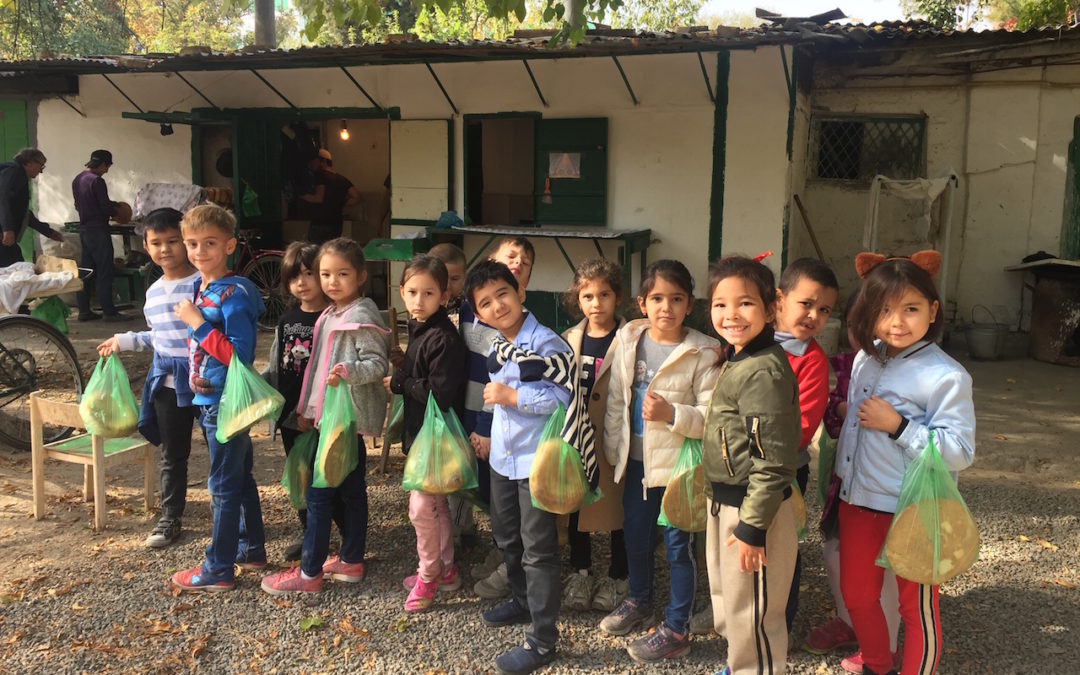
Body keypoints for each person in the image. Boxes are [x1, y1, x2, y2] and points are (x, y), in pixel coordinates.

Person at [835, 251, 976, 675]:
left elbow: (960, 451)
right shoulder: (867, 358)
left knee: (916, 607)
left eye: (910, 309)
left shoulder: (946, 376)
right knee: (858, 595)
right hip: (858, 502)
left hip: (914, 508)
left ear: (933, 311)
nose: (897, 321)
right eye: (884, 309)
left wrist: (898, 426)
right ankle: (878, 663)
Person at [599, 259, 720, 663]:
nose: (665, 307)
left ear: (690, 304)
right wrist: (614, 447)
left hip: (678, 471)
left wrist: (673, 414)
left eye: (676, 299)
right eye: (657, 298)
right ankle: (639, 600)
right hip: (635, 464)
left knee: (677, 548)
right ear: (641, 303)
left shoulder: (702, 352)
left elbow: (712, 416)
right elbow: (617, 396)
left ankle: (677, 627)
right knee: (635, 534)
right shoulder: (629, 337)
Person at [261, 238, 390, 595]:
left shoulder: (362, 313)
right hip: (325, 418)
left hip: (344, 420)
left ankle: (309, 574)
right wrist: (304, 409)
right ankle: (350, 561)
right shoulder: (331, 313)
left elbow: (378, 364)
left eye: (342, 274)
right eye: (326, 274)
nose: (332, 281)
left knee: (320, 495)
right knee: (350, 491)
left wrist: (348, 370)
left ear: (361, 276)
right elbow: (314, 370)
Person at [465, 259, 571, 675]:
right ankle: (523, 601)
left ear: (520, 292)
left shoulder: (547, 344)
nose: (498, 306)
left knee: (538, 549)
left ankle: (544, 639)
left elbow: (563, 400)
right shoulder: (496, 345)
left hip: (536, 462)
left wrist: (513, 398)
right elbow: (492, 397)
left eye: (503, 294)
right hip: (502, 458)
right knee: (506, 536)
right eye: (486, 302)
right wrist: (488, 430)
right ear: (479, 313)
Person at [701, 255, 801, 675]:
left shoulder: (763, 371)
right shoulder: (739, 358)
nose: (731, 315)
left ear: (770, 307)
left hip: (752, 511)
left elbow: (772, 461)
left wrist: (753, 528)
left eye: (745, 303)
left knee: (754, 614)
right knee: (731, 604)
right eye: (720, 304)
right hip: (726, 504)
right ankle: (738, 665)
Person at [168, 205, 266, 592]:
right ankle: (251, 547)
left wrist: (196, 322)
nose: (199, 251)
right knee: (238, 478)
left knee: (222, 485)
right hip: (209, 400)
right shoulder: (203, 287)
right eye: (191, 243)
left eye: (209, 243)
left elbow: (239, 356)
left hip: (225, 403)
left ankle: (218, 568)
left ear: (229, 245)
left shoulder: (235, 292)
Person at [805, 288, 902, 674]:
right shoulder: (851, 363)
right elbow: (830, 416)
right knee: (834, 550)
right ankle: (851, 620)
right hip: (845, 479)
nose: (861, 334)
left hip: (885, 487)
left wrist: (893, 423)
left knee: (887, 569)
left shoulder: (917, 370)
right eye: (853, 326)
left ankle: (885, 645)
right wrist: (842, 409)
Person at [96, 208, 200, 549]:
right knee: (173, 453)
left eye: (173, 241)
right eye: (157, 243)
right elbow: (158, 336)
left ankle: (239, 517)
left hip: (207, 380)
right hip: (168, 384)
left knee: (225, 449)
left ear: (187, 242)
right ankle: (171, 517)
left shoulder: (203, 282)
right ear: (146, 245)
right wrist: (122, 341)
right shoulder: (153, 291)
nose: (166, 249)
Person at [387, 255, 468, 613]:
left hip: (435, 440)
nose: (419, 300)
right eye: (412, 292)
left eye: (429, 293)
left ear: (444, 294)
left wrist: (401, 382)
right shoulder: (421, 328)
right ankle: (446, 568)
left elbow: (440, 392)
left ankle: (429, 574)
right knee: (436, 505)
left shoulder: (442, 338)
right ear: (401, 292)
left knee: (422, 508)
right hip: (424, 435)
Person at [468, 236, 536, 599]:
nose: (518, 262)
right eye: (512, 256)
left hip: (511, 436)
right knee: (495, 503)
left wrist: (486, 425)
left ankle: (521, 585)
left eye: (525, 262)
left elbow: (512, 388)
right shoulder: (481, 318)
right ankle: (505, 559)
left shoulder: (531, 335)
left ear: (521, 289)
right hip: (481, 422)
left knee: (521, 520)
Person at [559, 258, 628, 613]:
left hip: (615, 437)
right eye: (588, 296)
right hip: (578, 435)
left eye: (604, 294)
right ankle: (581, 571)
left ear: (618, 297)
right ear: (578, 299)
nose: (596, 303)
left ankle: (619, 576)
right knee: (578, 507)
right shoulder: (570, 338)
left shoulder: (631, 338)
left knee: (618, 509)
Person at [263, 242, 331, 562]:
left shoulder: (331, 318)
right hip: (289, 413)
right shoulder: (287, 318)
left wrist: (315, 411)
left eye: (309, 274)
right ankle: (309, 534)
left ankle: (335, 535)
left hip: (320, 414)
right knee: (299, 475)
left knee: (327, 475)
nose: (301, 282)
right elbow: (276, 364)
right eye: (294, 276)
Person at [73, 149, 129, 322]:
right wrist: (118, 212)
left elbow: (79, 204)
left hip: (85, 230)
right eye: (108, 166)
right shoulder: (97, 181)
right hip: (99, 231)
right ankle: (109, 312)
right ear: (103, 164)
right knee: (105, 270)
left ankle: (84, 311)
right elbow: (105, 207)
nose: (108, 170)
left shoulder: (78, 179)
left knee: (86, 271)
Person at [0, 148, 64, 267]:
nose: (41, 171)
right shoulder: (14, 172)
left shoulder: (18, 175)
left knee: (16, 267)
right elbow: (3, 200)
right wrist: (7, 229)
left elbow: (22, 212)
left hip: (6, 238)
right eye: (41, 166)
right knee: (15, 270)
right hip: (3, 234)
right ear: (29, 162)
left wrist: (47, 231)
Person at [300, 149, 360, 244]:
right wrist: (341, 204)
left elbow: (318, 198)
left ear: (323, 162)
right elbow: (356, 197)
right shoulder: (342, 179)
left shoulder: (319, 176)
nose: (310, 164)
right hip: (336, 224)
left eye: (313, 161)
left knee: (315, 253)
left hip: (320, 224)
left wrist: (301, 195)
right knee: (331, 251)